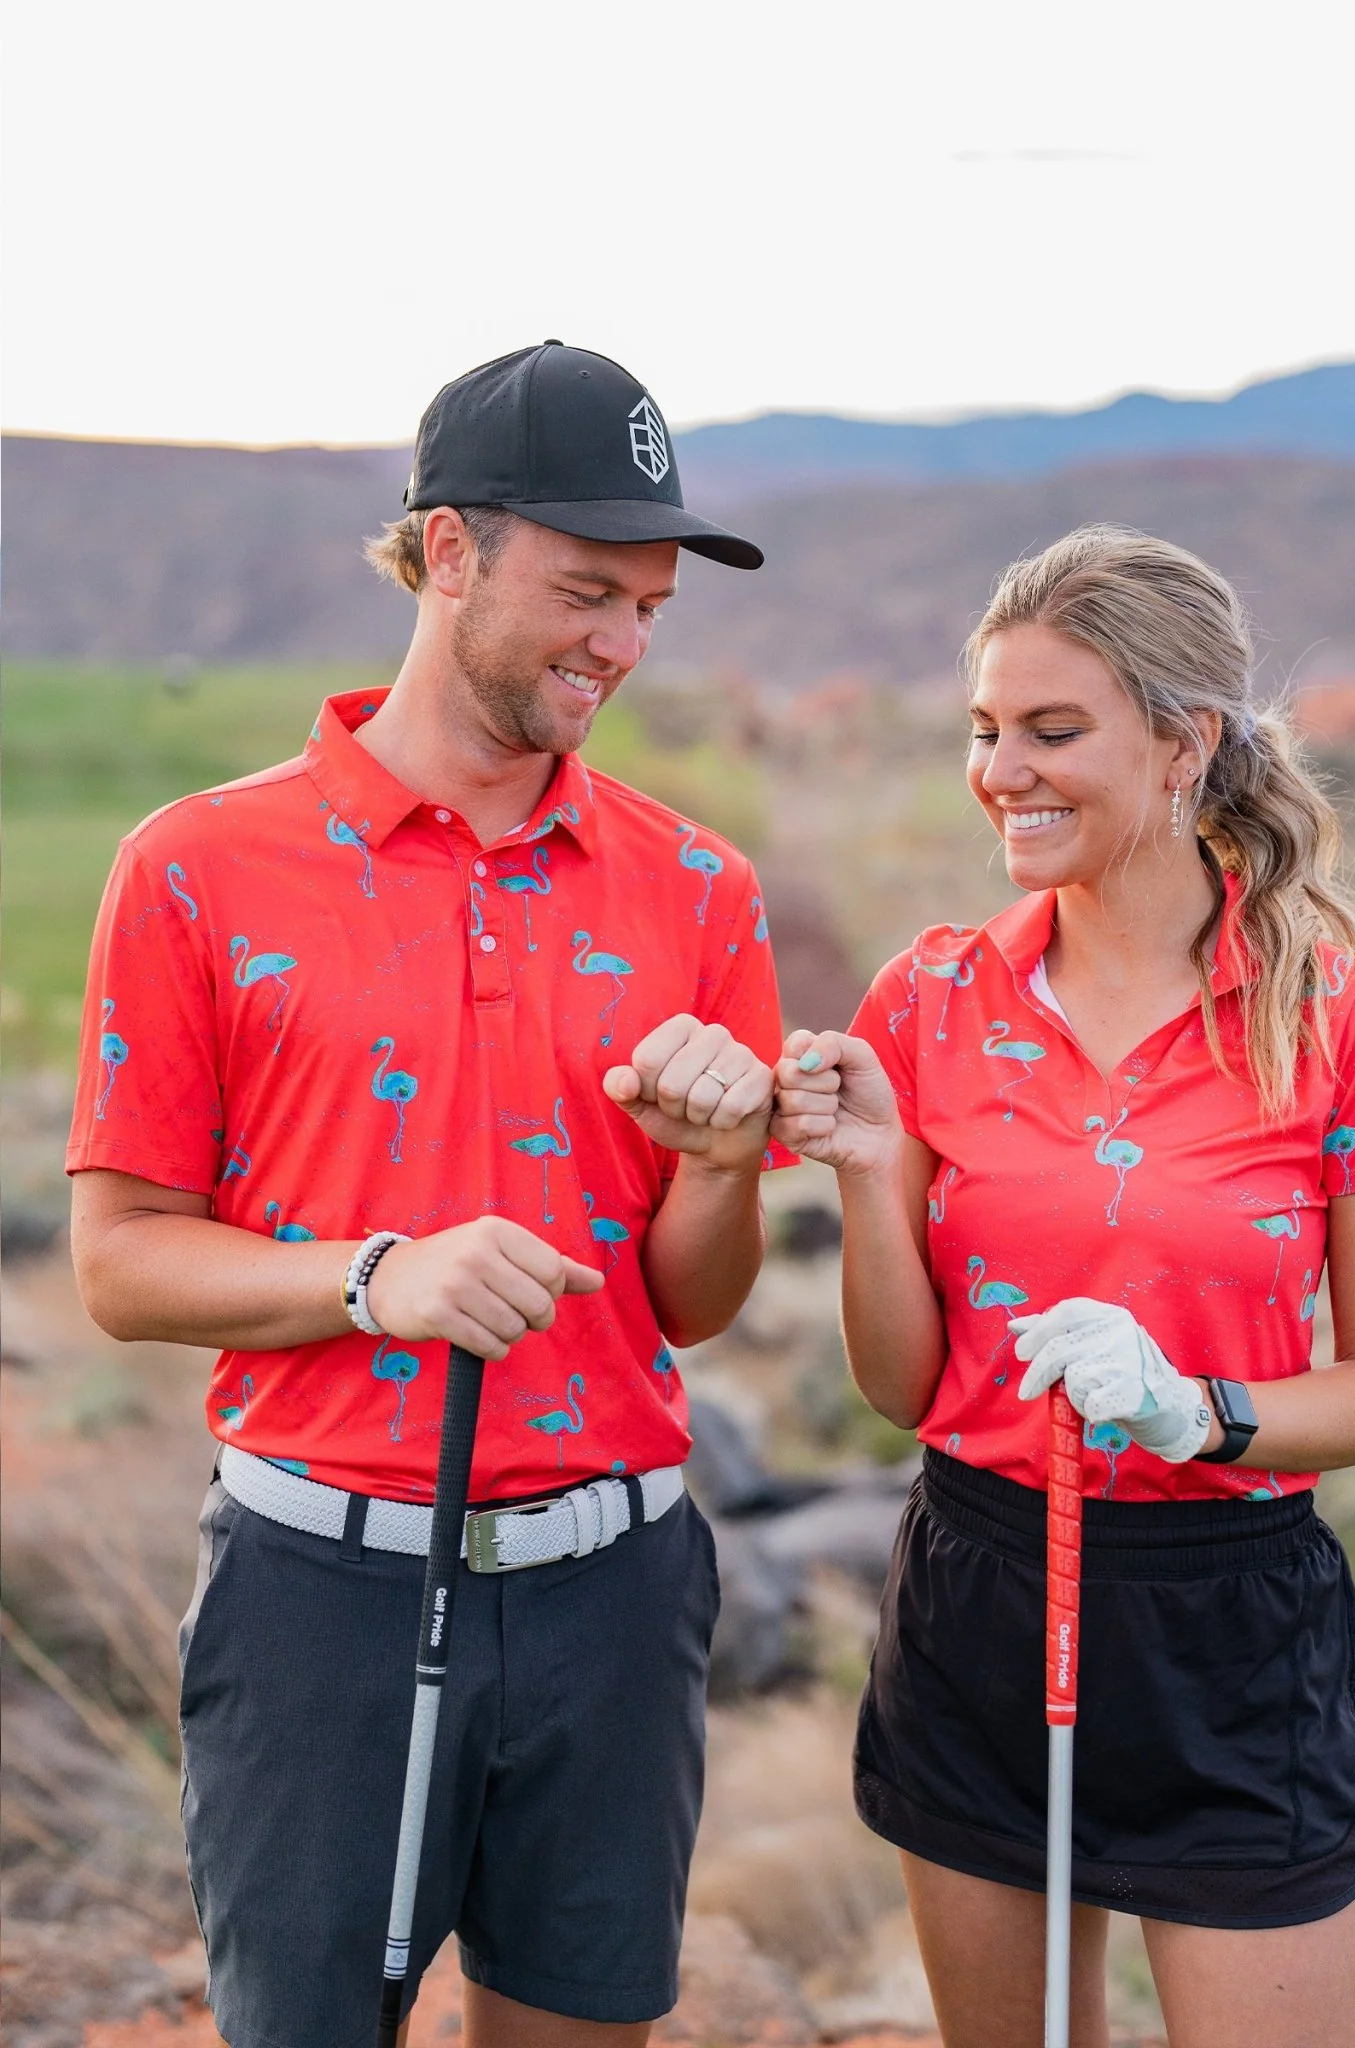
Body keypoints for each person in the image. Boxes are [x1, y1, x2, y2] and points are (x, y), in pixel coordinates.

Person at [66, 343, 789, 2048]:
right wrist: (368, 1277)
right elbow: (120, 1265)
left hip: (616, 1586)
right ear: (448, 551)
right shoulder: (194, 867)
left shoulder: (699, 887)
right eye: (585, 592)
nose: (619, 643)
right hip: (323, 1595)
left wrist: (724, 1161)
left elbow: (692, 1299)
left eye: (649, 607)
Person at [771, 525, 1355, 2048]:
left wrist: (1191, 1409)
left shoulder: (1336, 1015)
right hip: (978, 1595)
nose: (999, 769)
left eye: (1050, 729)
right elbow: (905, 1389)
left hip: (1226, 1627)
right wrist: (865, 1177)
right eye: (983, 729)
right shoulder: (929, 998)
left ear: (1183, 743)